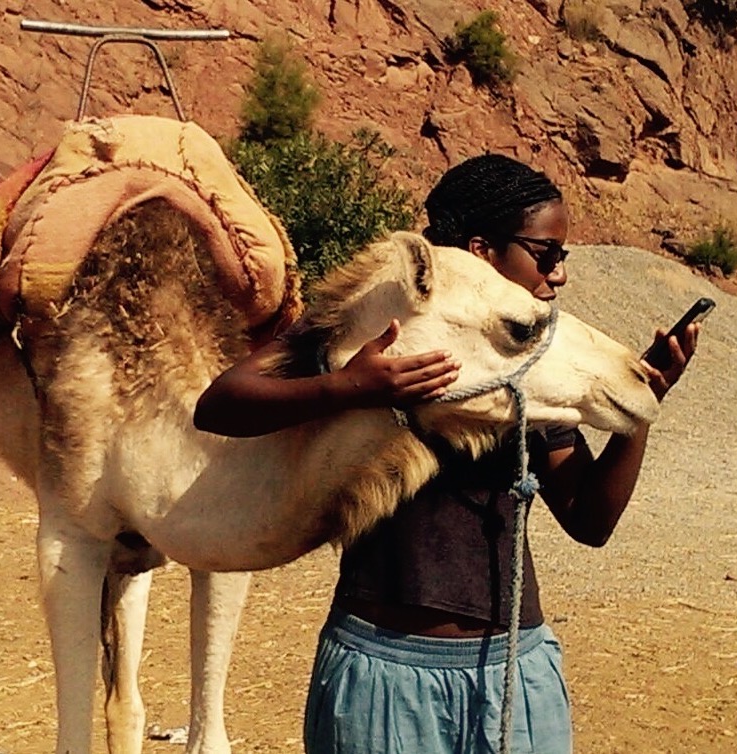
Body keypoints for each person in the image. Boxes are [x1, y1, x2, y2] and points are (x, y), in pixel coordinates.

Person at [193, 154, 699, 754]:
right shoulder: (381, 326)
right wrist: (353, 388)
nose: (558, 275)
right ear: (482, 249)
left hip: (515, 673)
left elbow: (589, 519)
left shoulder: (523, 364)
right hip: (384, 675)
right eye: (546, 254)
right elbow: (221, 404)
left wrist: (639, 406)